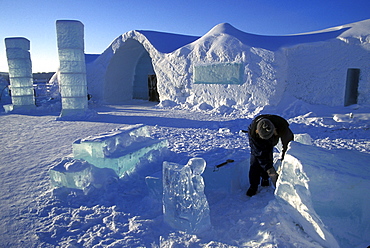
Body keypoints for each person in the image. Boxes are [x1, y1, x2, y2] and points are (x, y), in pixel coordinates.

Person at [246, 114, 294, 197]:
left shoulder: (281, 126)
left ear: (275, 130)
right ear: (257, 131)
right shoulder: (252, 131)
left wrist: (284, 157)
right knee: (255, 161)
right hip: (258, 143)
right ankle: (253, 185)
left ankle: (265, 178)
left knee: (268, 155)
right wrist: (270, 170)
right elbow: (259, 153)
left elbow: (288, 144)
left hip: (272, 140)